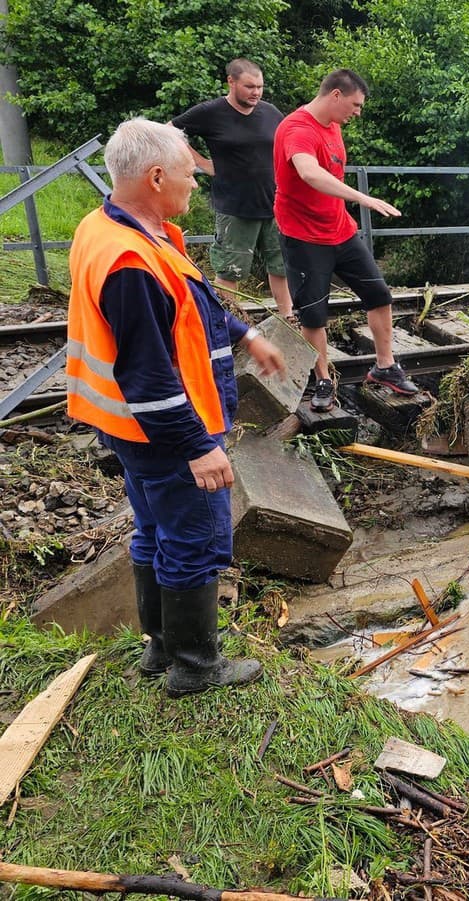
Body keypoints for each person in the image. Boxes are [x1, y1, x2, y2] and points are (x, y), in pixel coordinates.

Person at [64, 118, 286, 697]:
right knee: (193, 541)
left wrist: (243, 332)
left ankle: (160, 649)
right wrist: (197, 448)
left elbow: (186, 301)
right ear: (157, 175)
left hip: (131, 432)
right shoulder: (131, 263)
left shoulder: (118, 227)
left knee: (155, 531)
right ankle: (195, 667)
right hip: (162, 432)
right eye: (191, 174)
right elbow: (148, 374)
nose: (197, 185)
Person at [273, 68, 417, 413]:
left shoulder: (334, 126)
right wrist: (361, 197)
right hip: (304, 236)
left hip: (340, 229)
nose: (357, 112)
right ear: (335, 95)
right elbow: (309, 172)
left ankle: (385, 367)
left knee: (378, 294)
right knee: (313, 315)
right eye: (355, 105)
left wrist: (347, 206)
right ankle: (322, 380)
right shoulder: (296, 128)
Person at [172, 58, 292, 318]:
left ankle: (288, 318)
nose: (256, 93)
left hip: (275, 205)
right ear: (231, 82)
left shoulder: (271, 112)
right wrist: (201, 162)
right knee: (230, 272)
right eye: (249, 86)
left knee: (281, 267)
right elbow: (168, 132)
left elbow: (288, 144)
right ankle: (232, 324)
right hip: (235, 208)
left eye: (260, 87)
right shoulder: (210, 112)